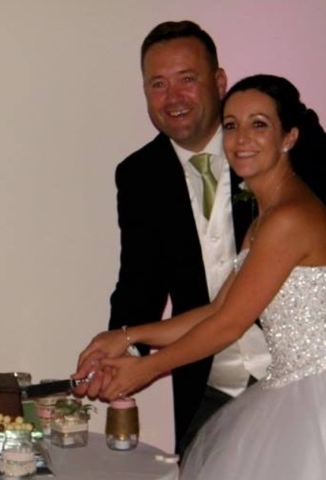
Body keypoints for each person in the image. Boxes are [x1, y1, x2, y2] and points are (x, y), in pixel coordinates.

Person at [76, 74, 326, 478]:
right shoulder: (267, 217)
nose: (241, 138)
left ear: (289, 137)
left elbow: (229, 325)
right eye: (231, 125)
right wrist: (126, 336)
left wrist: (148, 368)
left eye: (259, 124)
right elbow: (217, 308)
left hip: (313, 397)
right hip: (288, 389)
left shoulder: (291, 218)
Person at [105, 20, 271, 455]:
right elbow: (139, 282)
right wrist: (120, 350)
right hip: (209, 385)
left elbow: (233, 311)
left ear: (219, 82)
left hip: (298, 380)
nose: (172, 97)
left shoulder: (271, 151)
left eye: (187, 79)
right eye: (157, 84)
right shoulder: (139, 175)